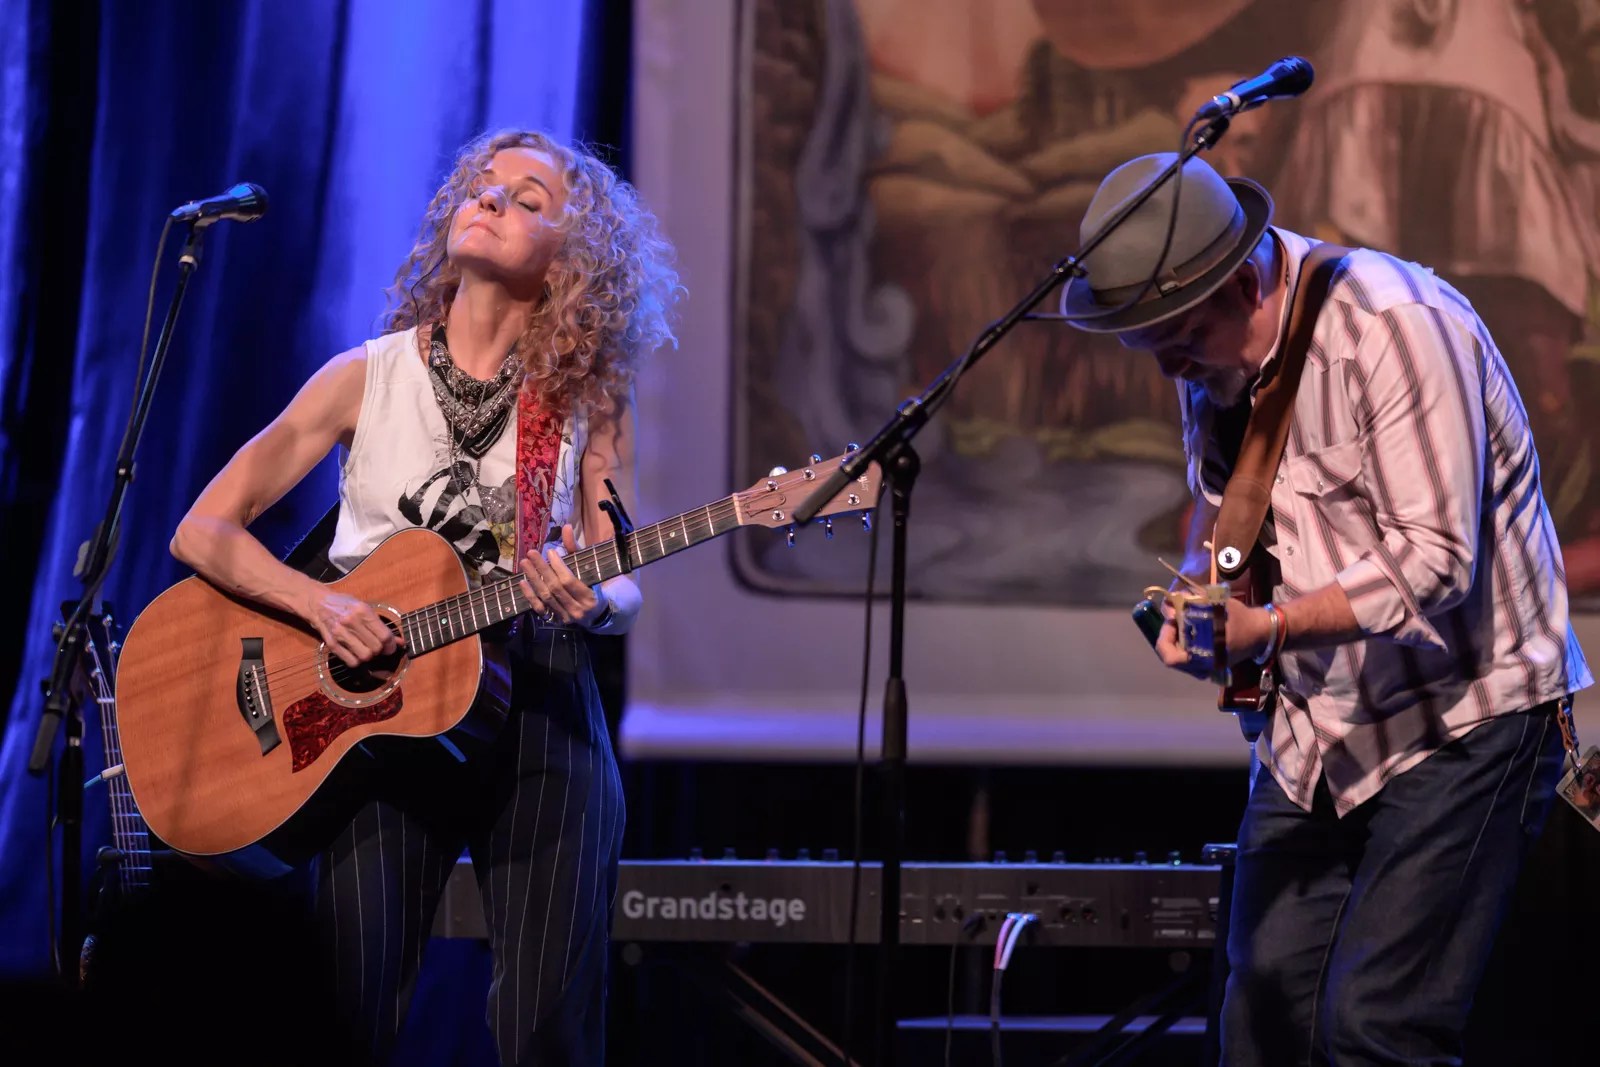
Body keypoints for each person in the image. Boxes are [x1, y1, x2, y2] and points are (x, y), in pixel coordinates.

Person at [1060, 152, 1592, 1065]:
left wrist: (1269, 628)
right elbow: (1231, 522)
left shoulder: (1395, 325)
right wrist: (1200, 598)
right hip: (1318, 732)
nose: (1172, 367)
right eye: (1153, 347)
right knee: (1261, 1026)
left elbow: (1436, 559)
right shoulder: (1215, 366)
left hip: (1466, 717)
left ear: (1242, 281)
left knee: (1374, 1027)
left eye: (1180, 338)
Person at [169, 128, 681, 1065]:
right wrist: (323, 606)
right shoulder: (363, 377)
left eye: (529, 199)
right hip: (379, 714)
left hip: (539, 705)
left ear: (572, 257)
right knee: (348, 1016)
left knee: (547, 1032)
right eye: (483, 186)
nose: (493, 199)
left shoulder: (588, 399)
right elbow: (202, 529)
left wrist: (596, 604)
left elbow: (619, 572)